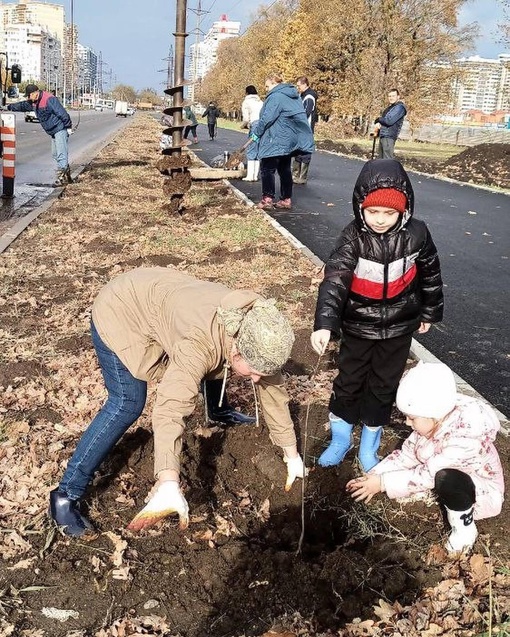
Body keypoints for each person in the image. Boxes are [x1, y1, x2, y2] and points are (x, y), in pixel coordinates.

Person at [49, 267, 306, 537]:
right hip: (122, 312)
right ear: (236, 348)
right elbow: (170, 408)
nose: (256, 380)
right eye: (253, 371)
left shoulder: (260, 330)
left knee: (214, 360)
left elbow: (273, 392)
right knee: (127, 403)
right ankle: (65, 496)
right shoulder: (198, 345)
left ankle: (218, 411)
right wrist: (168, 481)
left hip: (164, 299)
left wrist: (292, 455)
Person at [311, 158, 443, 472]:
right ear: (360, 208)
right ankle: (341, 437)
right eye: (373, 212)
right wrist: (326, 323)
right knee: (349, 380)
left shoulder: (417, 235)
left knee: (384, 384)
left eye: (389, 213)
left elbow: (431, 274)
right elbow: (335, 278)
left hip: (399, 326)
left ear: (404, 210)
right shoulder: (353, 237)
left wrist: (429, 311)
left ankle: (369, 443)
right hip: (358, 324)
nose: (380, 220)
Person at [346, 362, 504, 554]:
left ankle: (464, 531)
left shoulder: (465, 439)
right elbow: (405, 456)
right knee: (434, 479)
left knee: (447, 478)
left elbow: (428, 475)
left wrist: (383, 483)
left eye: (411, 418)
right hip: (443, 476)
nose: (406, 422)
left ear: (434, 415)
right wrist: (374, 476)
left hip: (480, 492)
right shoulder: (430, 424)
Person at [249, 73, 314, 211]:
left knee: (267, 168)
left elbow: (267, 118)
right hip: (288, 140)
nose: (266, 89)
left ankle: (267, 199)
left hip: (275, 138)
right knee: (284, 169)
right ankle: (286, 199)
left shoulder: (276, 96)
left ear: (274, 83)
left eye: (267, 86)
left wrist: (257, 133)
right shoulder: (292, 95)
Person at [7, 84, 73, 186]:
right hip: (53, 131)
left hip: (60, 129)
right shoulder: (34, 102)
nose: (28, 98)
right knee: (55, 154)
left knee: (61, 154)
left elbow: (62, 113)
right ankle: (66, 173)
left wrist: (68, 127)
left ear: (34, 93)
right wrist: (9, 107)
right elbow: (23, 106)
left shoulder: (49, 99)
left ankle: (62, 177)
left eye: (29, 95)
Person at [292, 76, 317, 185]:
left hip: (306, 129)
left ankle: (302, 177)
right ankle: (295, 175)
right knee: (298, 150)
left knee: (305, 151)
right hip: (300, 128)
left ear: (304, 84)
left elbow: (305, 113)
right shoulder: (301, 95)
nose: (298, 88)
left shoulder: (309, 97)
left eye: (299, 85)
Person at [373, 88, 407, 159]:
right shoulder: (390, 108)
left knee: (387, 161)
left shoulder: (399, 108)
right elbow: (383, 121)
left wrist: (378, 119)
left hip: (389, 137)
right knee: (381, 161)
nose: (391, 98)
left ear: (398, 96)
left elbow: (389, 121)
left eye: (393, 96)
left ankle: (390, 170)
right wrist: (378, 123)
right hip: (383, 135)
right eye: (389, 96)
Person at [241, 85, 263, 182]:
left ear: (246, 93)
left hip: (254, 125)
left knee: (251, 149)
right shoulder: (261, 102)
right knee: (258, 149)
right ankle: (255, 175)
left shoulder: (246, 102)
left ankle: (250, 176)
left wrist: (243, 126)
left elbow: (246, 119)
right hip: (262, 126)